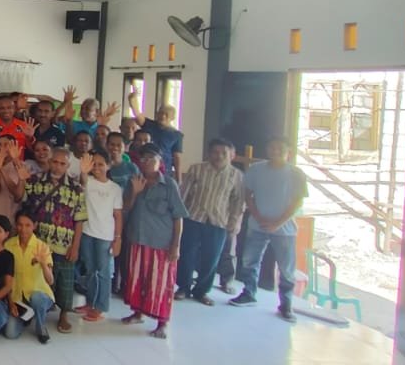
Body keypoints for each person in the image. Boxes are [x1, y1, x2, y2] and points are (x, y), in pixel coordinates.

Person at [230, 138, 308, 323]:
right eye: (272, 147)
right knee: (250, 261)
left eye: (280, 148)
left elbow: (298, 202)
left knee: (286, 268)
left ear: (288, 152)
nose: (276, 151)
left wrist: (278, 223)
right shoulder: (256, 170)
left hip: (285, 229)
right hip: (257, 226)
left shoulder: (296, 173)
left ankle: (286, 304)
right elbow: (248, 195)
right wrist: (258, 217)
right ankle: (249, 293)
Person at [121, 144, 189, 338]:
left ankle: (162, 322)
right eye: (143, 159)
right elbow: (125, 208)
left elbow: (178, 217)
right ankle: (138, 313)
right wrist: (134, 192)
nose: (147, 163)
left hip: (161, 244)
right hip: (137, 239)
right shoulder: (134, 181)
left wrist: (176, 245)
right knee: (138, 280)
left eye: (151, 159)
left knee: (161, 285)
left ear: (160, 162)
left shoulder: (169, 184)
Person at [20, 148, 87, 333]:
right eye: (55, 162)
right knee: (38, 277)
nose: (57, 166)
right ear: (49, 162)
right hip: (40, 241)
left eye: (62, 164)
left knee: (65, 280)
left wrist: (75, 246)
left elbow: (79, 220)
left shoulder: (76, 188)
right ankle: (38, 309)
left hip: (64, 243)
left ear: (68, 166)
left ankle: (64, 314)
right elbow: (24, 204)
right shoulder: (35, 181)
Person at [176, 138, 245, 305]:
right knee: (186, 255)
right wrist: (178, 216)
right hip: (193, 218)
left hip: (219, 222)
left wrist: (235, 222)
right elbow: (183, 194)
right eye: (215, 152)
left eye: (223, 153)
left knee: (212, 258)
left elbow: (238, 201)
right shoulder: (196, 169)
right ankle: (183, 288)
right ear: (209, 153)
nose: (219, 156)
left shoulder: (236, 175)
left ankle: (201, 291)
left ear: (231, 155)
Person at [78, 151, 123, 321]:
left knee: (103, 272)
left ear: (108, 166)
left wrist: (117, 239)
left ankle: (101, 307)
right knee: (90, 270)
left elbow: (118, 215)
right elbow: (81, 183)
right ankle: (90, 302)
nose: (97, 167)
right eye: (94, 164)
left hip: (105, 236)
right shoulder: (88, 181)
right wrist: (83, 172)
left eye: (101, 164)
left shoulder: (114, 188)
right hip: (87, 233)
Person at [4, 211, 55, 344]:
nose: (23, 229)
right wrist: (10, 302)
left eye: (28, 225)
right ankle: (28, 316)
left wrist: (43, 263)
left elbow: (50, 280)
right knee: (10, 333)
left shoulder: (42, 247)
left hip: (40, 295)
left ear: (35, 226)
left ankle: (41, 327)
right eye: (20, 225)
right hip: (17, 298)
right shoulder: (8, 245)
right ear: (15, 225)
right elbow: (5, 278)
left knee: (37, 298)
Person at [127, 88, 184, 180]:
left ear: (172, 117)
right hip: (143, 168)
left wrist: (179, 178)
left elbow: (177, 157)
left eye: (166, 114)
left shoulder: (177, 135)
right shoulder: (149, 125)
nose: (163, 116)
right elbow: (138, 115)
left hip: (164, 172)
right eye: (160, 113)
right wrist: (132, 100)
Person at [0, 136, 28, 220]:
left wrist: (2, 169)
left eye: (6, 144)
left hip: (11, 216)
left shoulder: (21, 166)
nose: (2, 148)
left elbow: (18, 195)